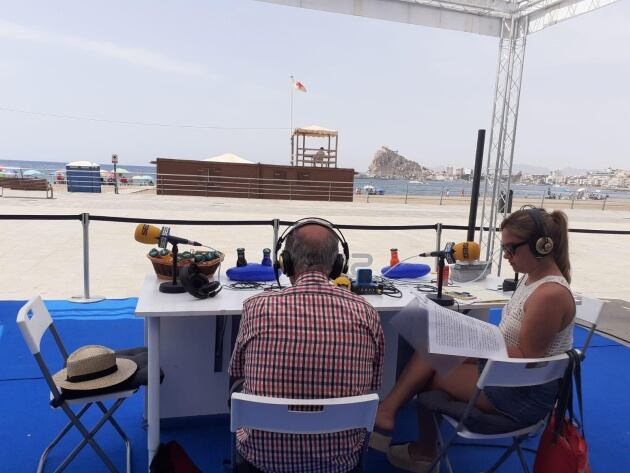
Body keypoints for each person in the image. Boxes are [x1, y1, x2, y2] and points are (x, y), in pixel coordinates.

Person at [371, 208, 575, 473]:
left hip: (521, 393)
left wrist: (474, 347)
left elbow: (526, 358)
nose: (506, 256)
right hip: (507, 375)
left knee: (428, 370)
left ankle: (416, 442)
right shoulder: (533, 279)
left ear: (542, 246)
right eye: (504, 247)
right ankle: (397, 420)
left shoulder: (549, 295)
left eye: (512, 248)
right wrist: (469, 343)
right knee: (433, 348)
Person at [229, 219, 385, 473]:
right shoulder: (366, 312)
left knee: (238, 384)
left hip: (261, 459)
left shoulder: (255, 307)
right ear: (337, 266)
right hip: (340, 462)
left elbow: (236, 371)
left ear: (286, 263)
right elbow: (373, 384)